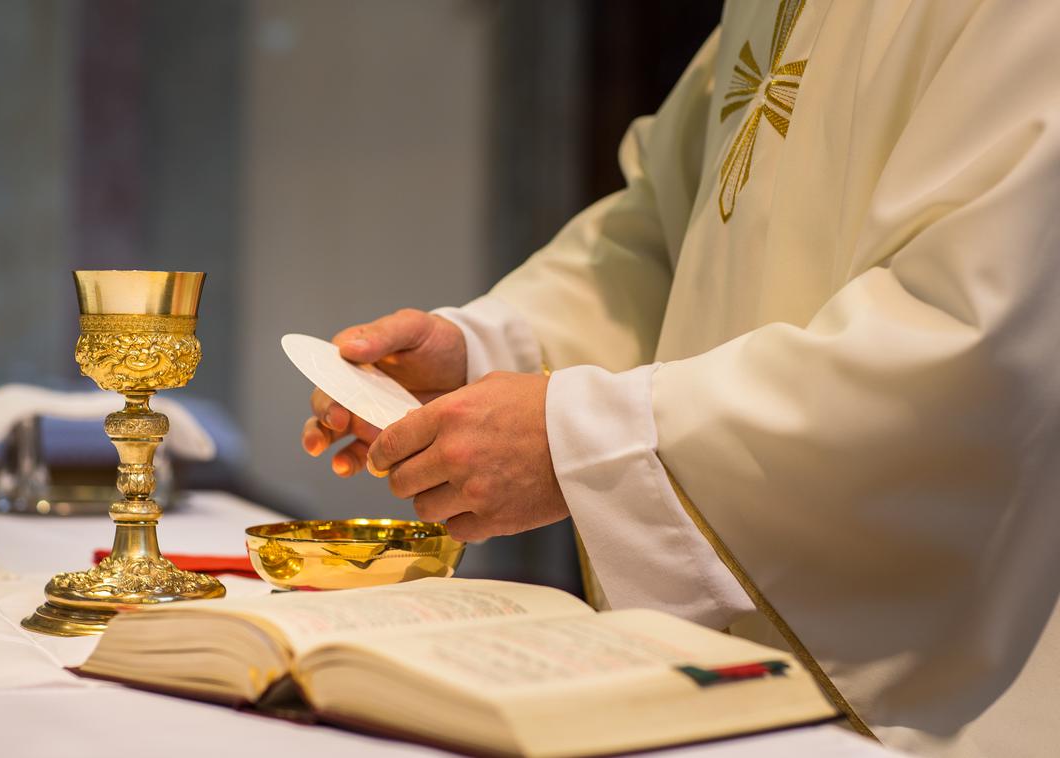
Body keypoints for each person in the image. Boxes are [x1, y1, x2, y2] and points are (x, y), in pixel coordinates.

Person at [300, 1, 1060, 754]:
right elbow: (672, 236)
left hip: (944, 682)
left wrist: (579, 434)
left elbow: (976, 342)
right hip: (730, 686)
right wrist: (487, 354)